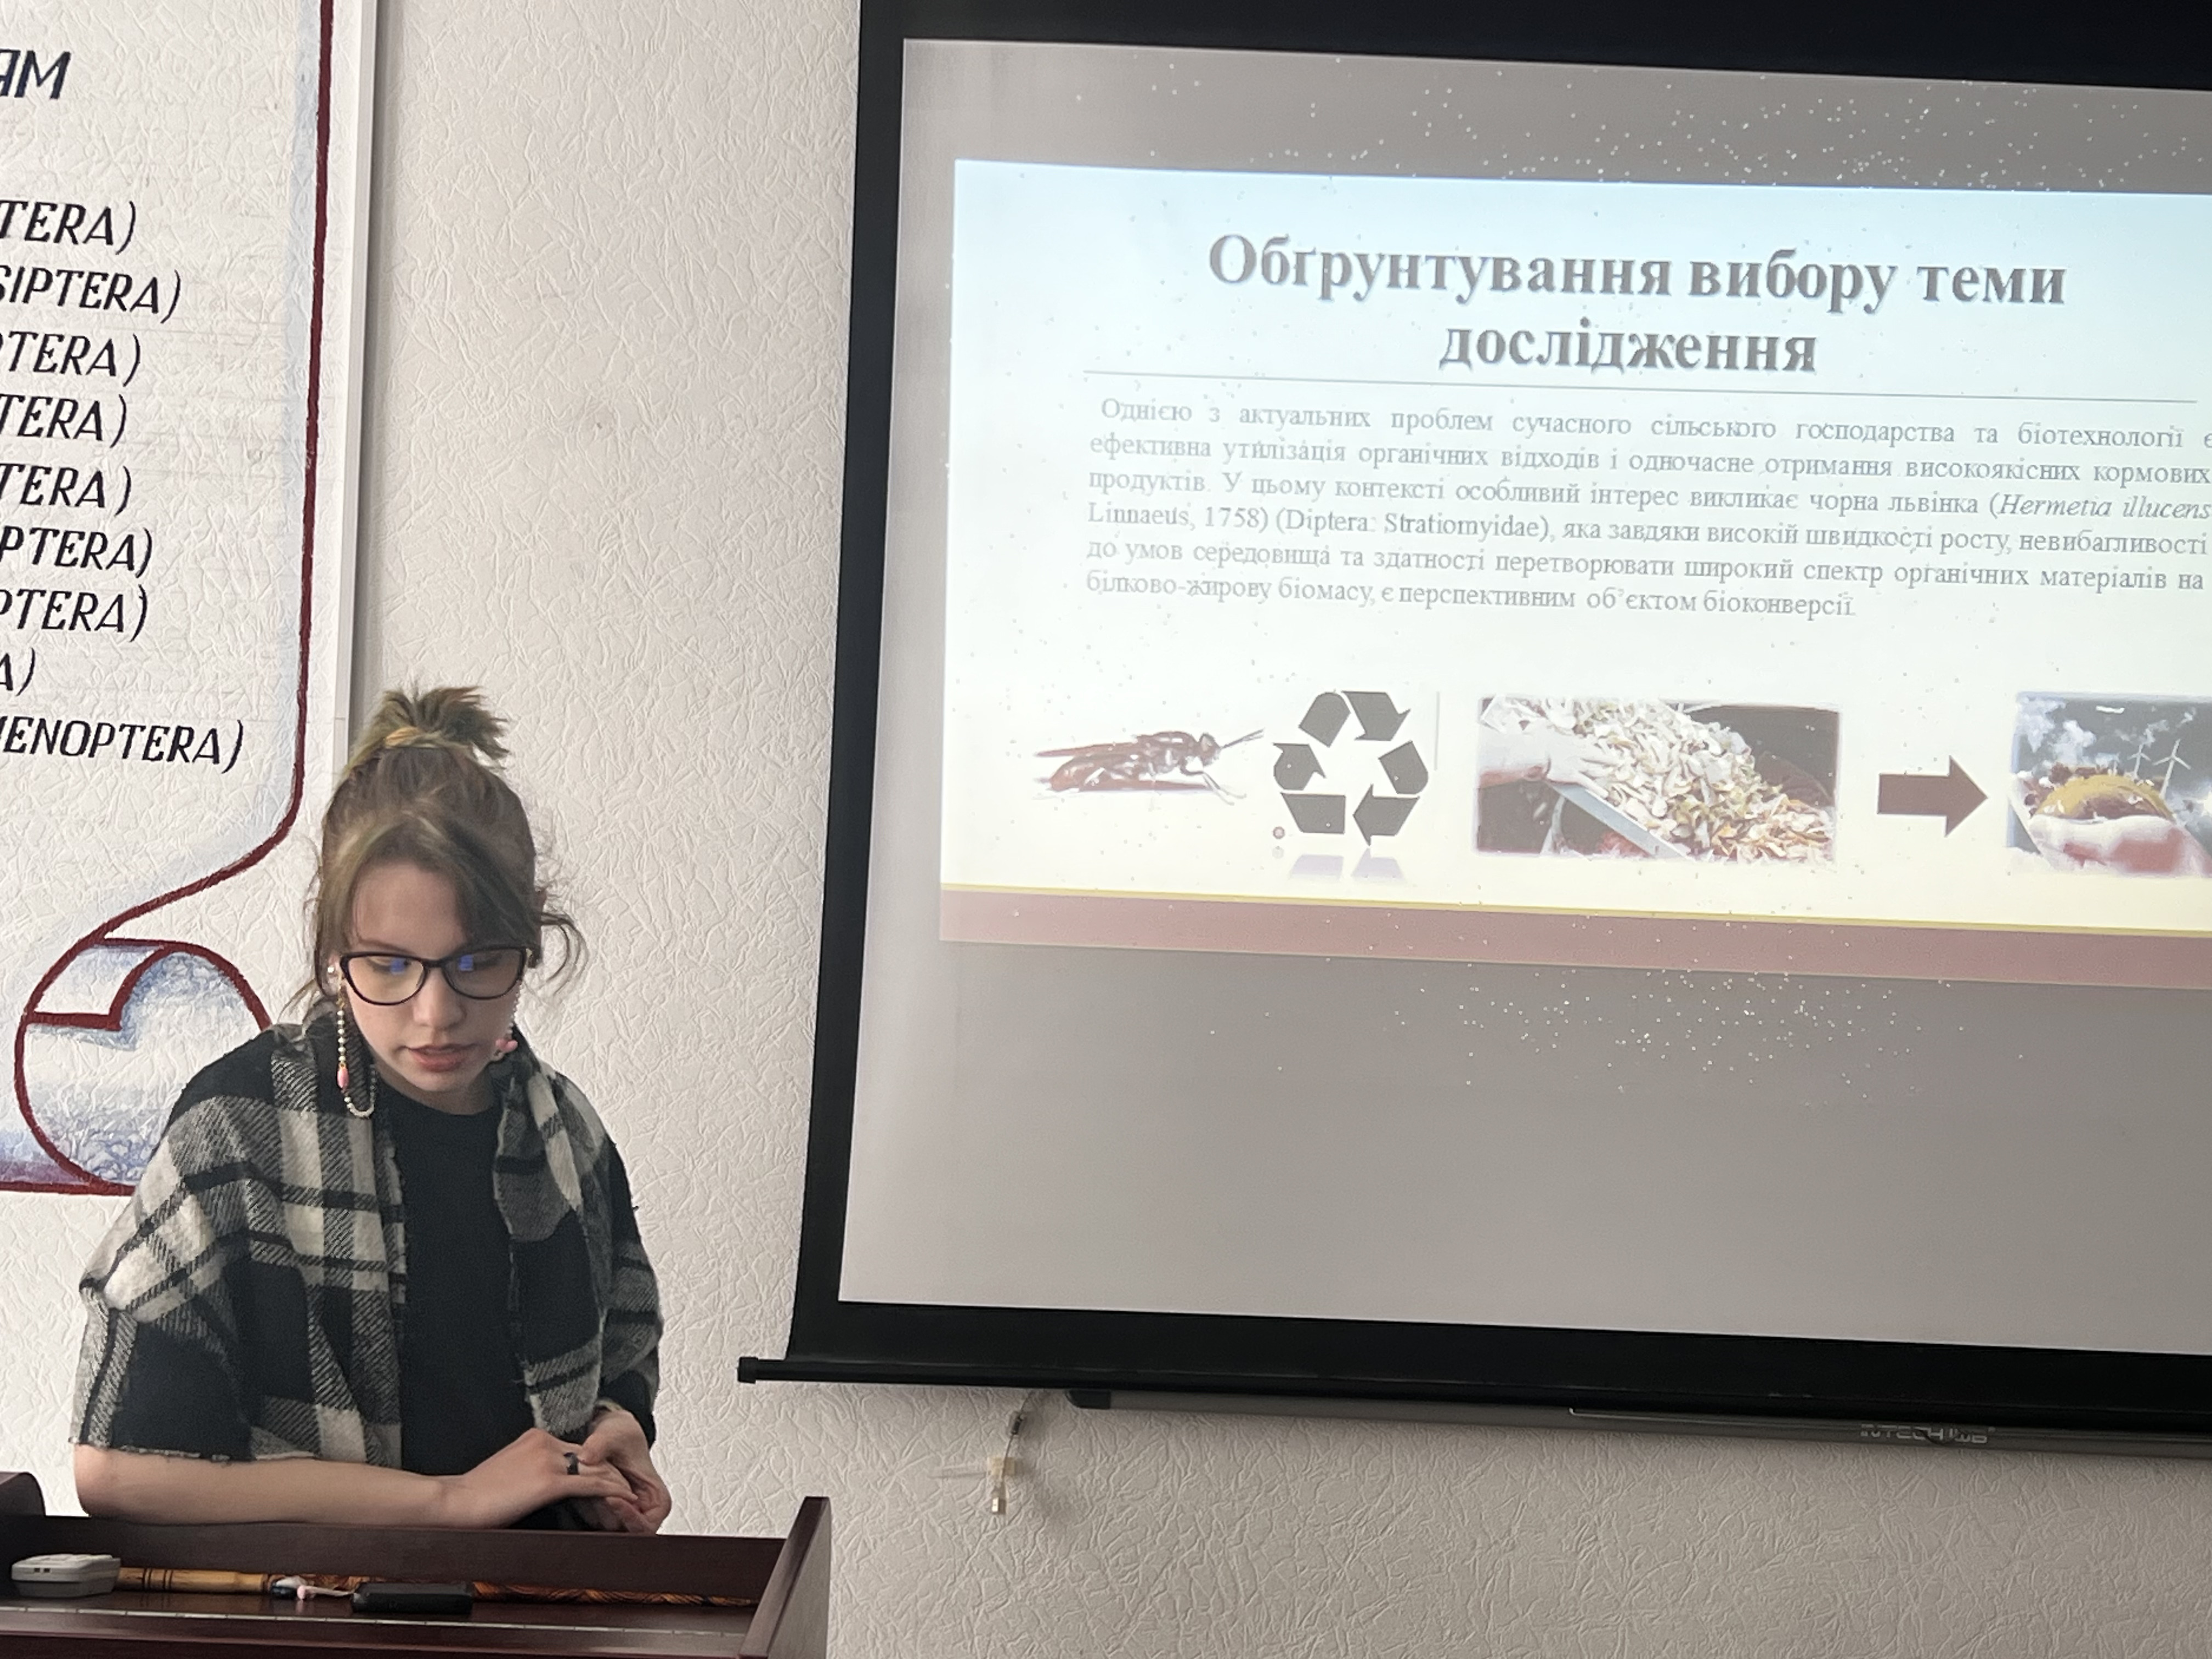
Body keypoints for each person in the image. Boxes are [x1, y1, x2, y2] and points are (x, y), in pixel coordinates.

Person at [71, 688, 669, 1532]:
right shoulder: (236, 1127)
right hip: (313, 1604)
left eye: (478, 962)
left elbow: (622, 1360)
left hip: (535, 1599)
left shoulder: (567, 1132)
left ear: (533, 938)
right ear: (333, 951)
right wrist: (451, 1503)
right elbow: (117, 1470)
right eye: (388, 965)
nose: (436, 1013)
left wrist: (616, 1435)